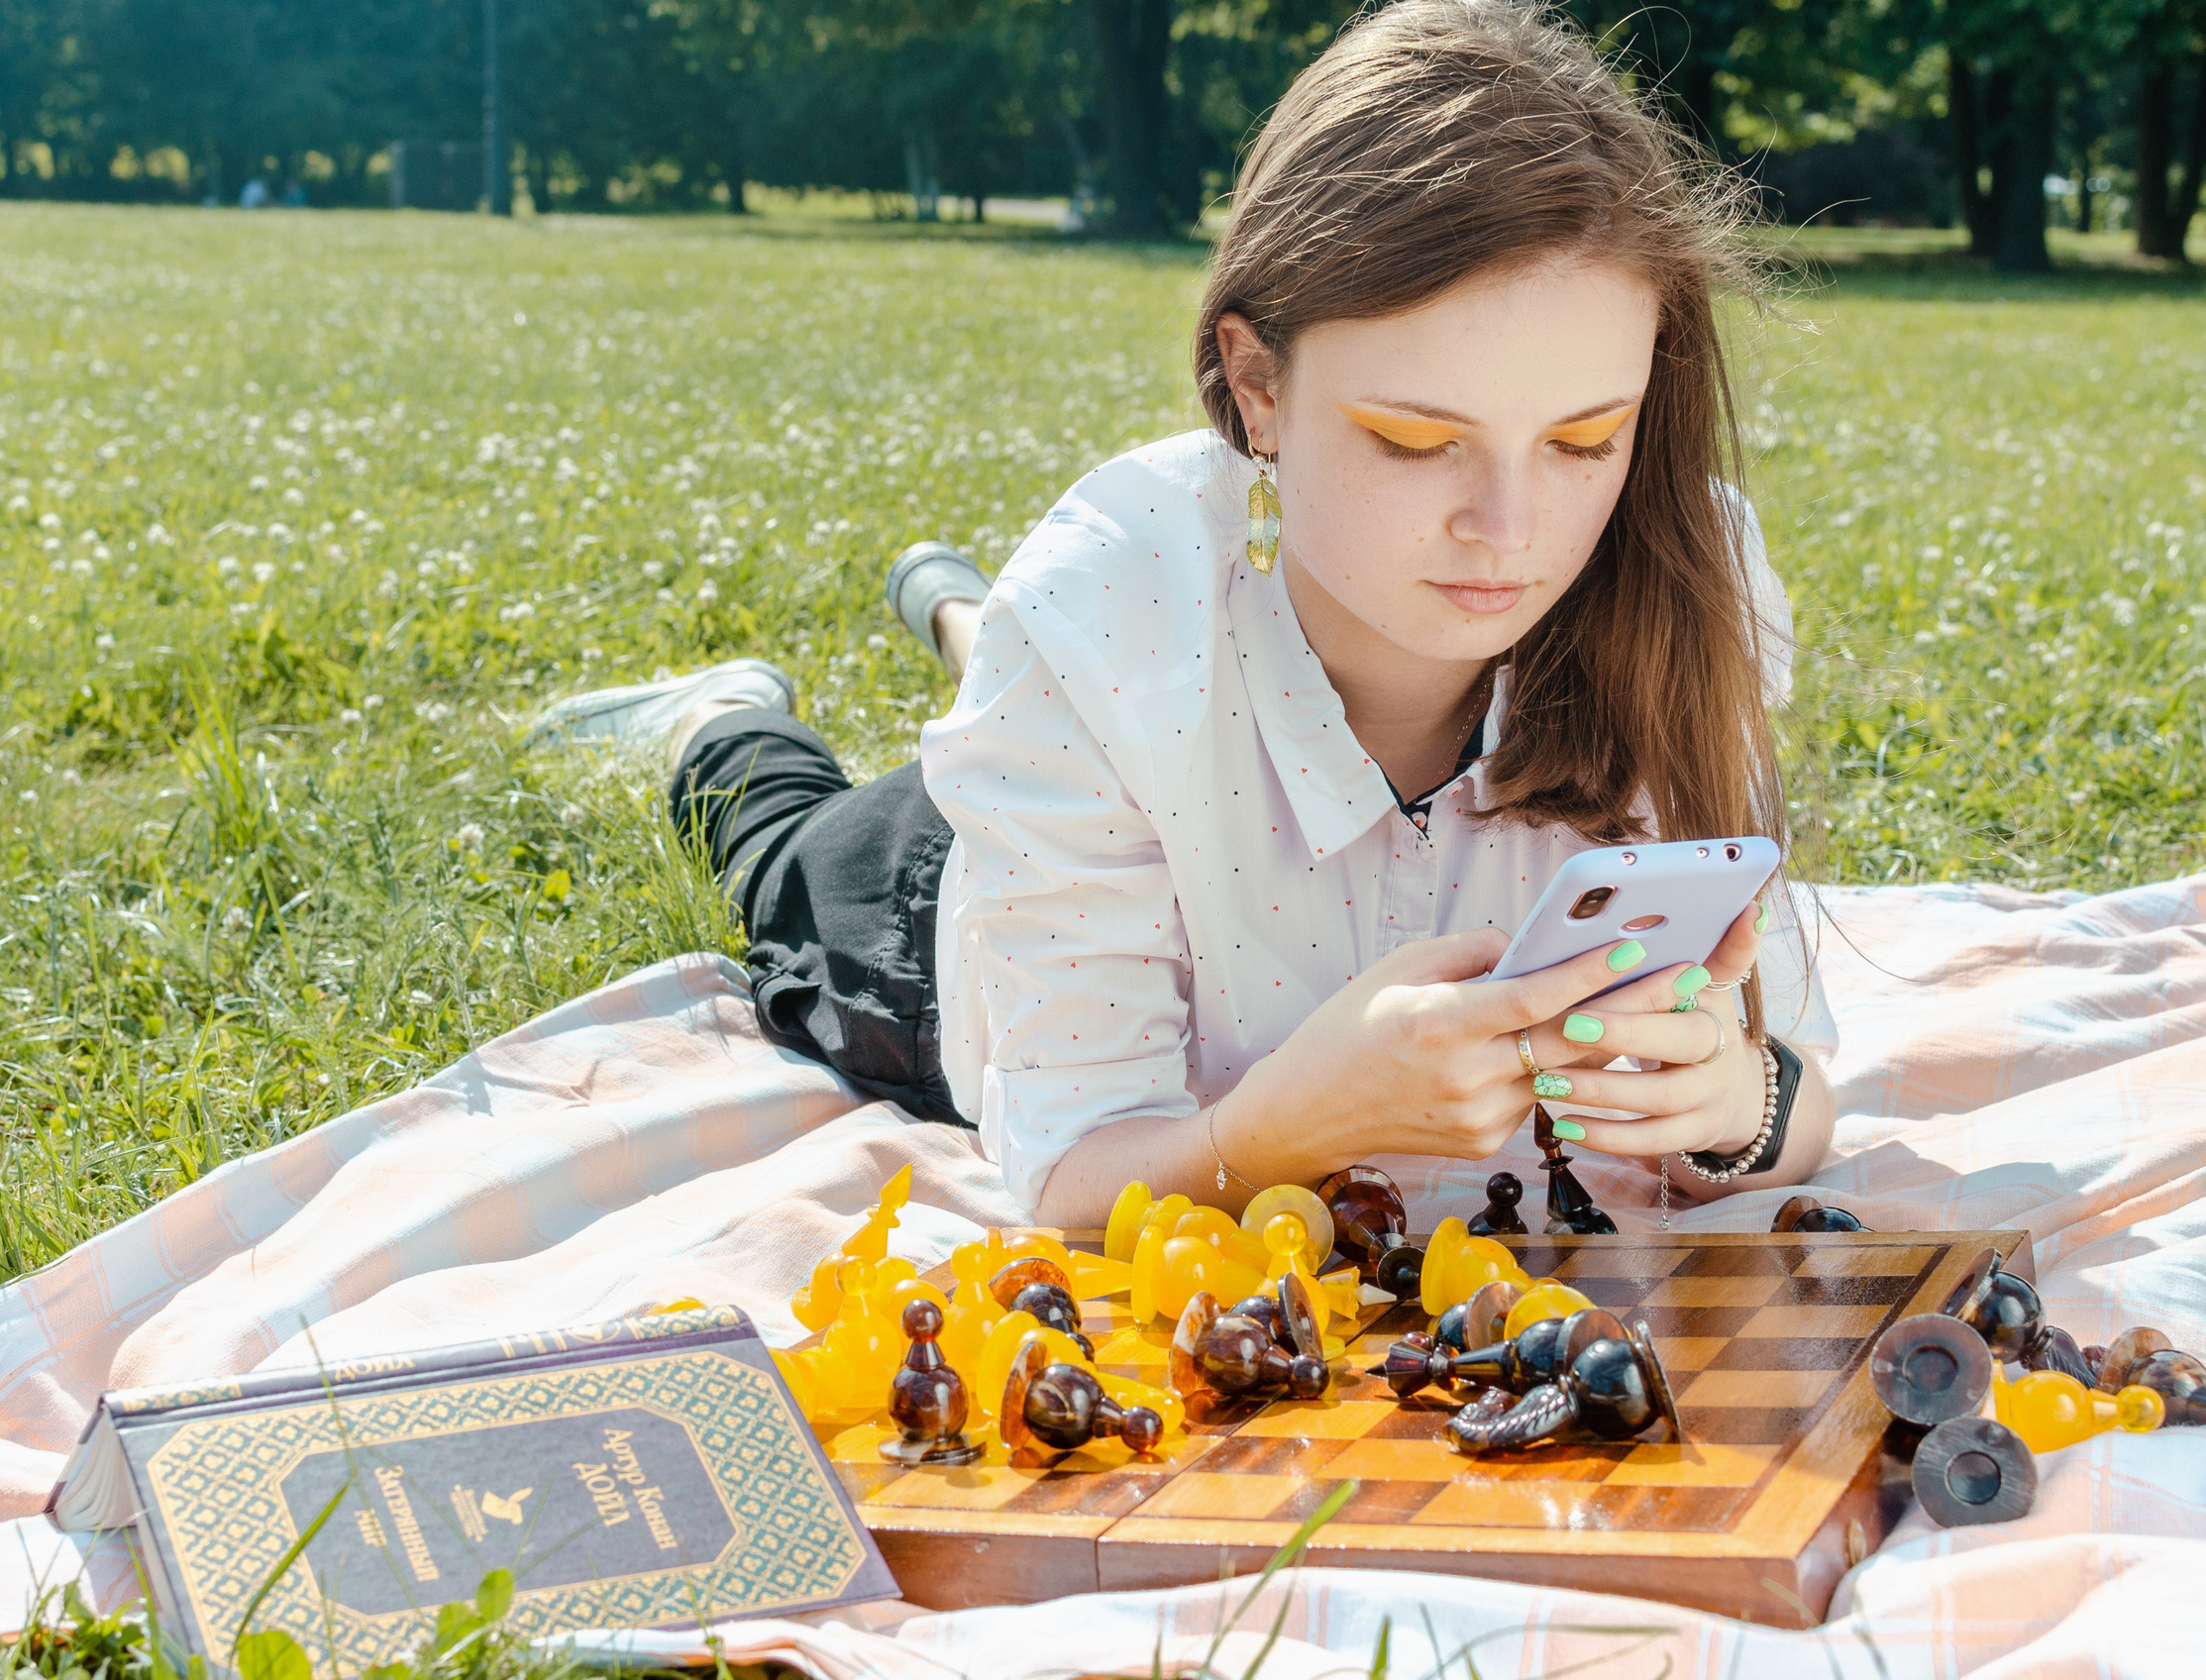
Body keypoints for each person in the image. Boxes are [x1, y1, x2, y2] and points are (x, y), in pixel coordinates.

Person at [530, 0, 1840, 1227]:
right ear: (1255, 384)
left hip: (1102, 717)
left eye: (1582, 441)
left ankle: (958, 618)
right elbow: (1068, 1176)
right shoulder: (1110, 617)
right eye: (1414, 439)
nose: (1509, 531)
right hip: (935, 922)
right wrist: (1279, 1131)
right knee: (789, 836)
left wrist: (1734, 1106)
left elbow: (1799, 1091)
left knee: (1047, 664)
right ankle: (726, 720)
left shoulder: (1688, 580)